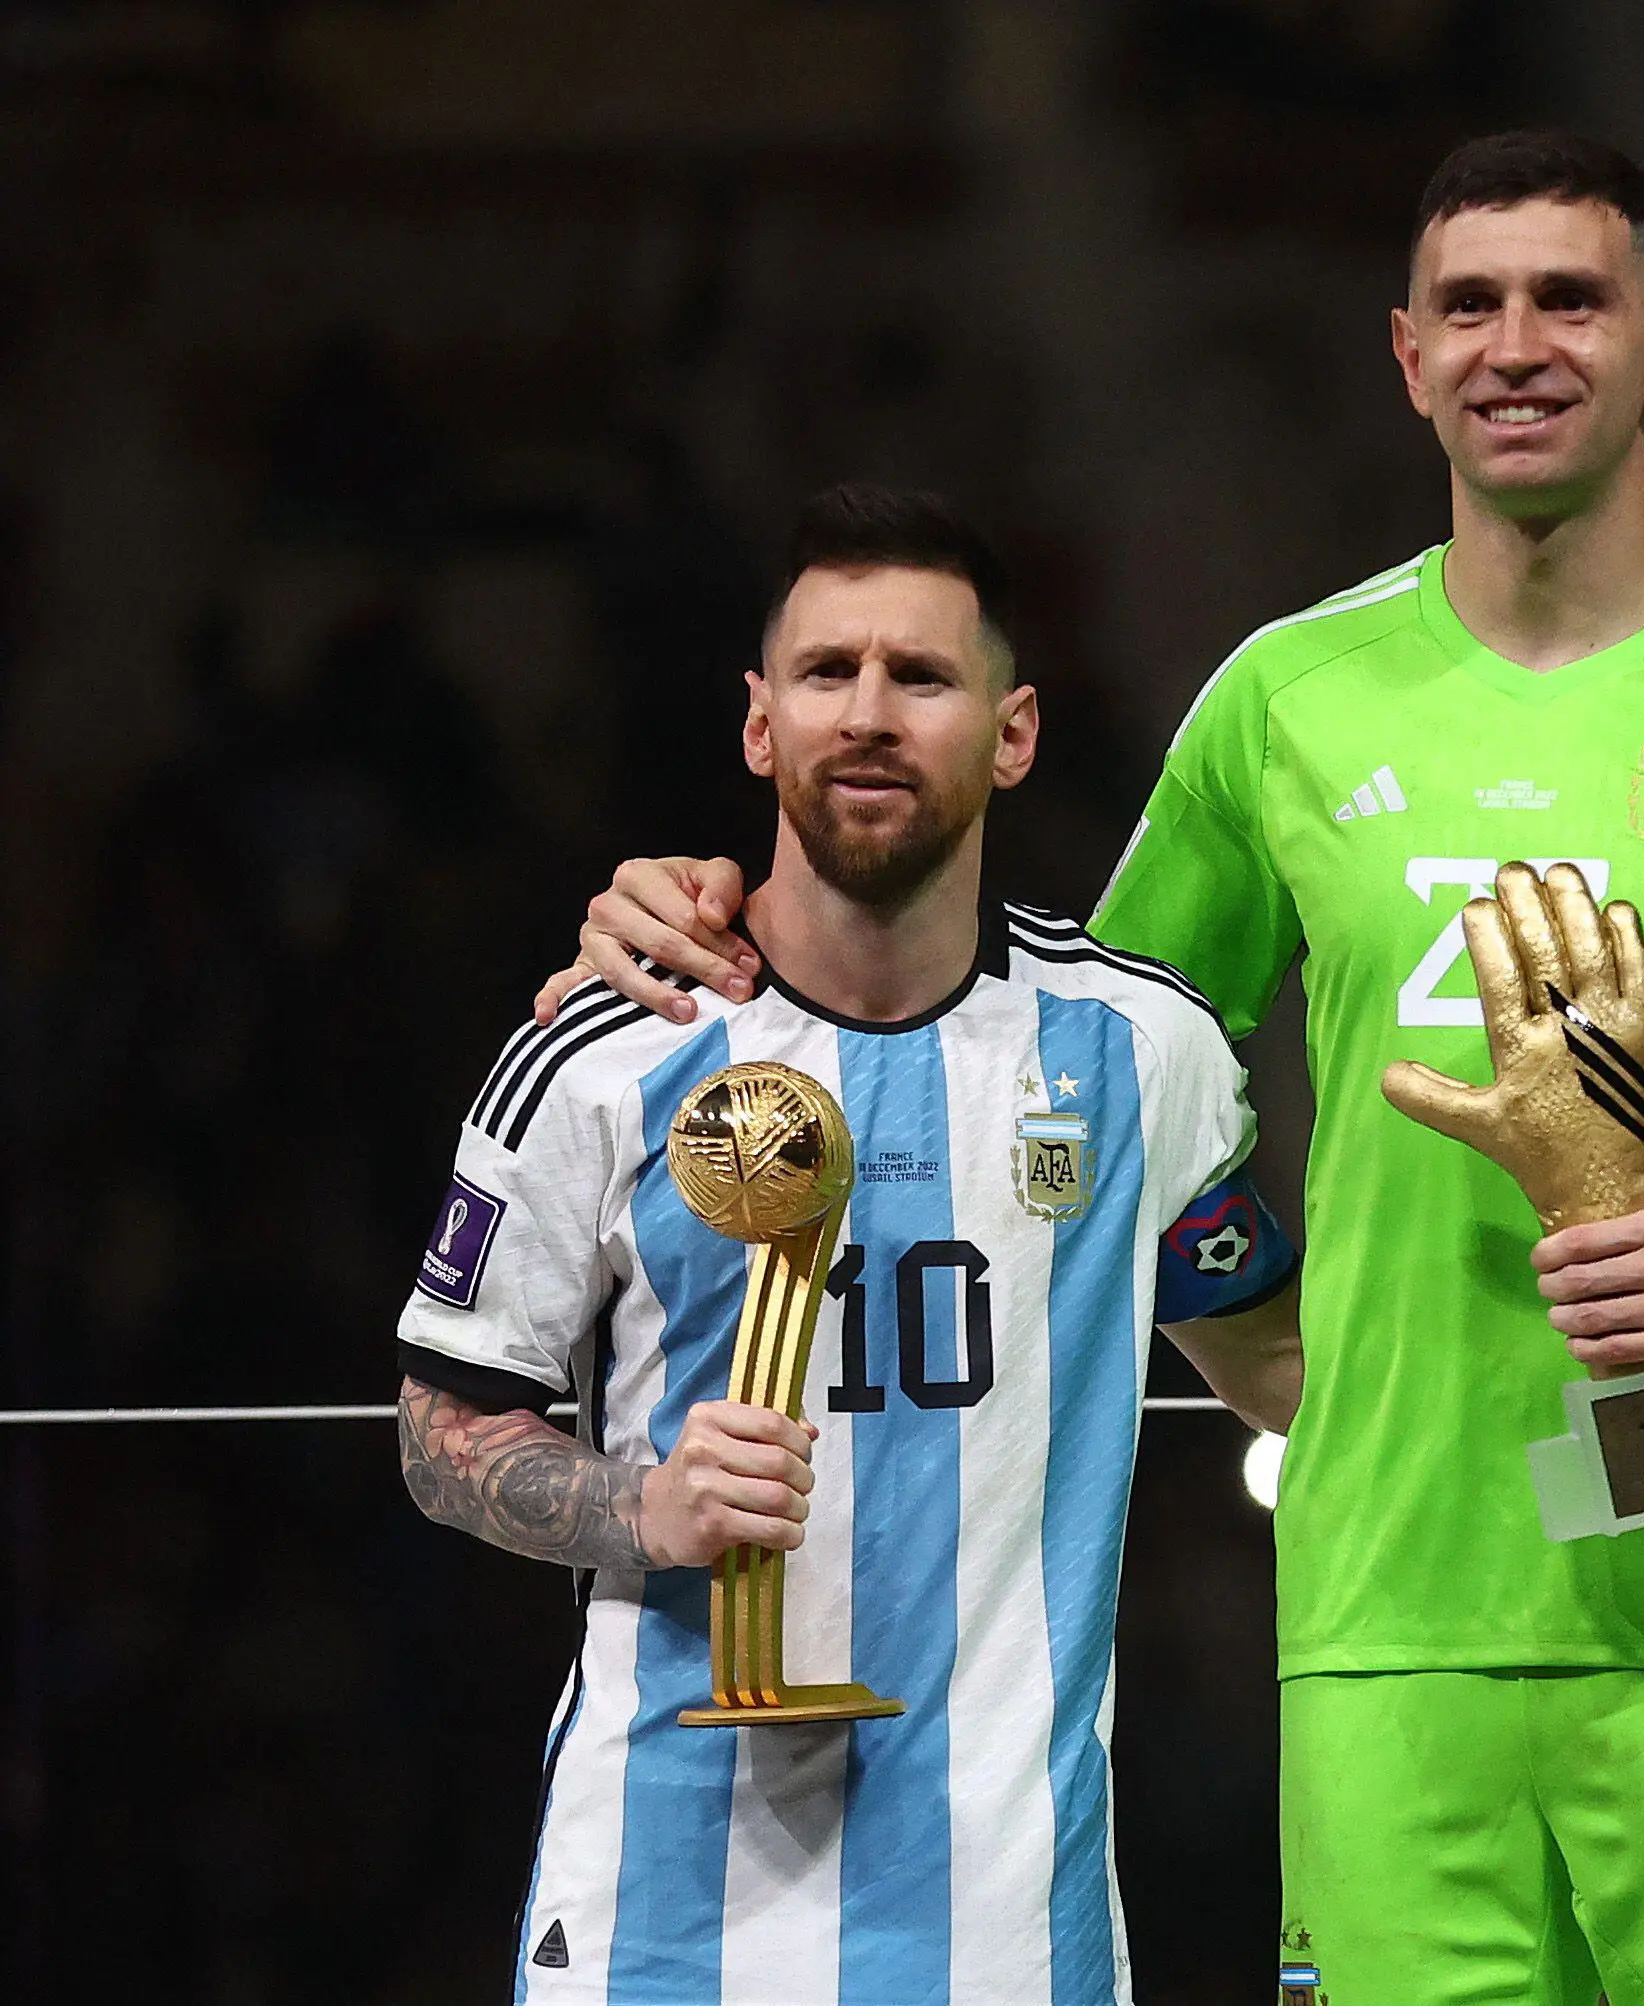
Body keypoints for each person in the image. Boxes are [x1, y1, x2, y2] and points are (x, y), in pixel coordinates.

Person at [544, 132, 1644, 2005]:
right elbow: (1066, 1056)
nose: (1519, 343)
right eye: (1469, 304)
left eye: (1573, 297)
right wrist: (725, 912)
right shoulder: (1283, 703)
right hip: (1384, 1630)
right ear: (1407, 358)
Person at [398, 484, 1303, 2004]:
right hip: (656, 1914)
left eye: (922, 675)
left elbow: (1288, 1366)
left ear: (1013, 731)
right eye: (828, 674)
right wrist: (647, 1501)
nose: (869, 714)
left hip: (1010, 1916)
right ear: (760, 724)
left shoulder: (1141, 1052)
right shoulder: (599, 1053)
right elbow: (438, 1428)